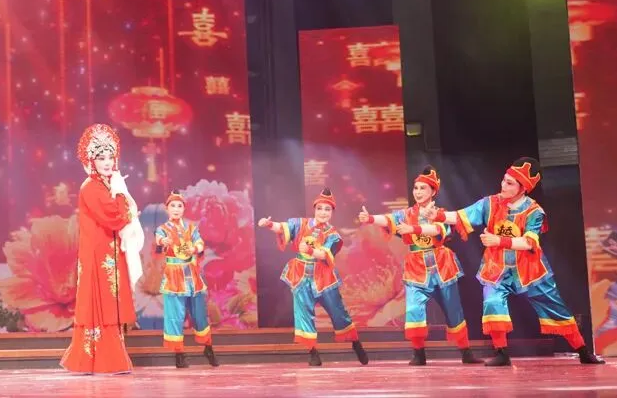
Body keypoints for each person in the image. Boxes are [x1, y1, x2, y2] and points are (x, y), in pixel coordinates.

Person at [427, 157, 605, 366]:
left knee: (555, 307)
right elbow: (461, 216)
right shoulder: (490, 203)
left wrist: (498, 241)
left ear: (523, 188)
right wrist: (437, 215)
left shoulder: (534, 212)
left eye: (510, 183)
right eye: (504, 180)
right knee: (492, 302)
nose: (503, 185)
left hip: (529, 269)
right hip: (497, 267)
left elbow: (529, 242)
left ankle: (583, 351)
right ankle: (501, 352)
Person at [358, 166, 481, 365]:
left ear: (433, 191)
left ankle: (466, 352)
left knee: (453, 309)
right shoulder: (406, 214)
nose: (418, 192)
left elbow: (437, 230)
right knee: (414, 310)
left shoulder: (441, 213)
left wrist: (412, 229)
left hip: (441, 265)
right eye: (416, 188)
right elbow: (388, 219)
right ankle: (418, 353)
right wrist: (370, 218)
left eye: (423, 188)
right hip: (416, 267)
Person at [60, 124, 141, 374]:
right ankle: (101, 361)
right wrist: (124, 201)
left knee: (111, 303)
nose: (107, 162)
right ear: (91, 161)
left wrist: (120, 194)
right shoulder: (90, 187)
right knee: (101, 303)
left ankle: (109, 359)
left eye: (110, 157)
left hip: (110, 252)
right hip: (98, 254)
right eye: (101, 157)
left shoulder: (107, 184)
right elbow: (114, 216)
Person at [258, 188, 369, 367]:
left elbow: (325, 254)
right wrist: (269, 224)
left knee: (338, 312)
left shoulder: (333, 235)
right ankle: (313, 352)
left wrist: (310, 250)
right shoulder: (301, 224)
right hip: (300, 274)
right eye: (320, 208)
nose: (323, 212)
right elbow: (282, 227)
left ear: (332, 212)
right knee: (303, 312)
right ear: (314, 209)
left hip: (323, 277)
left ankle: (356, 343)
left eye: (327, 209)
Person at [154, 191, 218, 368]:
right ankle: (179, 354)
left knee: (199, 314)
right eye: (172, 206)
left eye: (179, 206)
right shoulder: (162, 229)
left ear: (184, 209)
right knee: (175, 316)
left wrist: (194, 249)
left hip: (191, 275)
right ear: (167, 209)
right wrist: (163, 241)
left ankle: (208, 348)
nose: (176, 209)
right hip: (174, 276)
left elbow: (200, 243)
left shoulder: (191, 228)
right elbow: (159, 240)